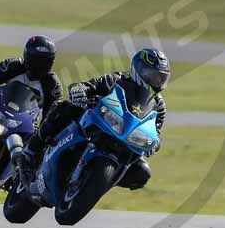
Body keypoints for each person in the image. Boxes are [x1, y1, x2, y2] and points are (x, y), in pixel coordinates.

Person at [20, 48, 169, 190]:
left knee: (142, 173)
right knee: (65, 108)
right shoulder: (117, 79)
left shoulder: (159, 106)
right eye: (153, 76)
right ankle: (31, 150)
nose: (158, 81)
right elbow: (87, 86)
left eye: (161, 78)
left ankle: (93, 182)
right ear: (139, 71)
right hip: (101, 124)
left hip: (126, 142)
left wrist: (154, 144)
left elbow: (155, 132)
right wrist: (80, 92)